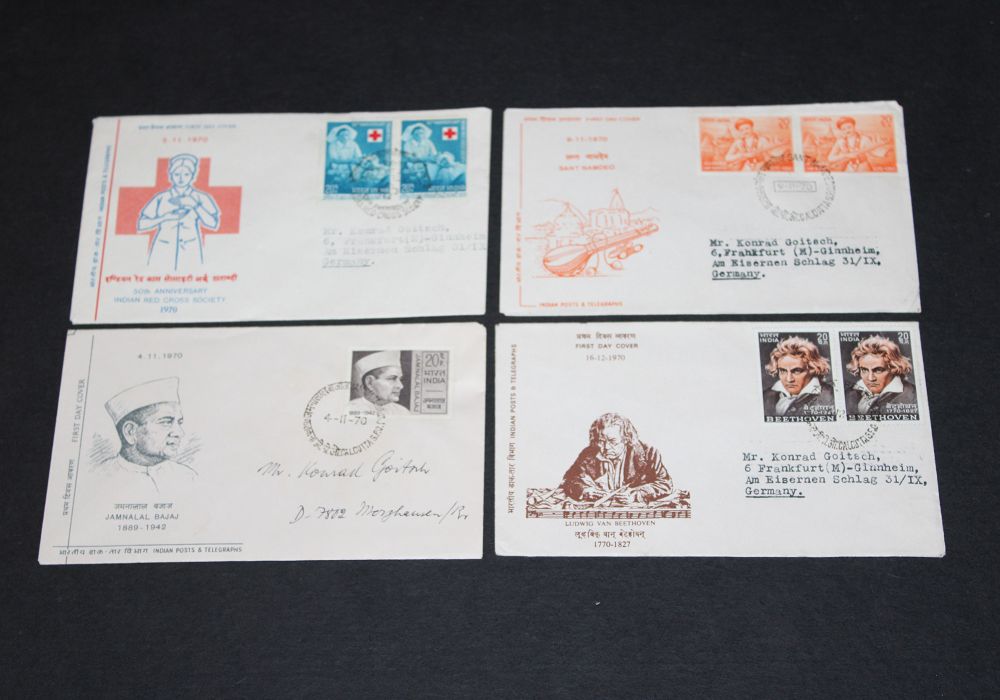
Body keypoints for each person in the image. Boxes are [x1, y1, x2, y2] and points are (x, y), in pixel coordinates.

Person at [95, 377, 197, 492]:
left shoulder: (187, 477)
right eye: (166, 422)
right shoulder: (99, 478)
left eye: (179, 422)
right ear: (130, 432)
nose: (179, 433)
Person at [560, 413, 673, 505]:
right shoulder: (588, 454)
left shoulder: (648, 453)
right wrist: (586, 491)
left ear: (626, 439)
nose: (606, 447)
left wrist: (637, 495)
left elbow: (664, 484)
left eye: (612, 441)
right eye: (601, 441)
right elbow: (570, 480)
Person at [137, 154, 220, 270]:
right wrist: (164, 218)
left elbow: (213, 224)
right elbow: (141, 225)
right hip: (163, 248)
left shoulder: (200, 197)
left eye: (186, 174)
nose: (181, 178)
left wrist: (194, 205)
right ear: (170, 175)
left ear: (193, 176)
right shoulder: (161, 197)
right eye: (177, 174)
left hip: (190, 248)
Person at [762, 336, 835, 418]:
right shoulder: (765, 396)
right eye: (783, 371)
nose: (789, 379)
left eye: (797, 371)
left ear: (813, 369)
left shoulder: (832, 397)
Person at [845, 335, 918, 416]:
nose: (870, 378)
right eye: (864, 370)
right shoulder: (848, 394)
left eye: (878, 370)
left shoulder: (914, 396)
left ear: (894, 368)